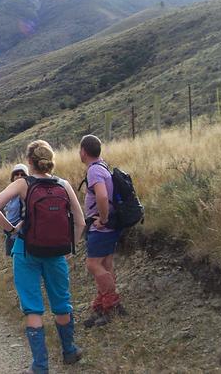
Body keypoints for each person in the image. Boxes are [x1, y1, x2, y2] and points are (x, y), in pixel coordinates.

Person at [0, 141, 85, 374]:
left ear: (29, 161)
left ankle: (40, 366)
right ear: (50, 160)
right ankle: (69, 351)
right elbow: (80, 222)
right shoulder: (63, 184)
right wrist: (69, 247)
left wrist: (12, 230)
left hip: (26, 250)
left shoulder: (23, 184)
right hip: (56, 253)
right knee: (62, 303)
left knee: (33, 309)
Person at [79, 135, 125, 328]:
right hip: (110, 226)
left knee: (93, 265)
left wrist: (103, 220)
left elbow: (102, 196)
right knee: (105, 264)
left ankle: (111, 302)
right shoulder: (102, 166)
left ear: (83, 151)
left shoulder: (95, 171)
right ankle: (103, 307)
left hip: (102, 227)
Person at [2, 163, 29, 257]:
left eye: (22, 174)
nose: (19, 176)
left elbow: (29, 213)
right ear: (12, 177)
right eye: (16, 174)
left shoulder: (28, 192)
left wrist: (18, 226)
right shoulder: (9, 192)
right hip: (10, 231)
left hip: (22, 232)